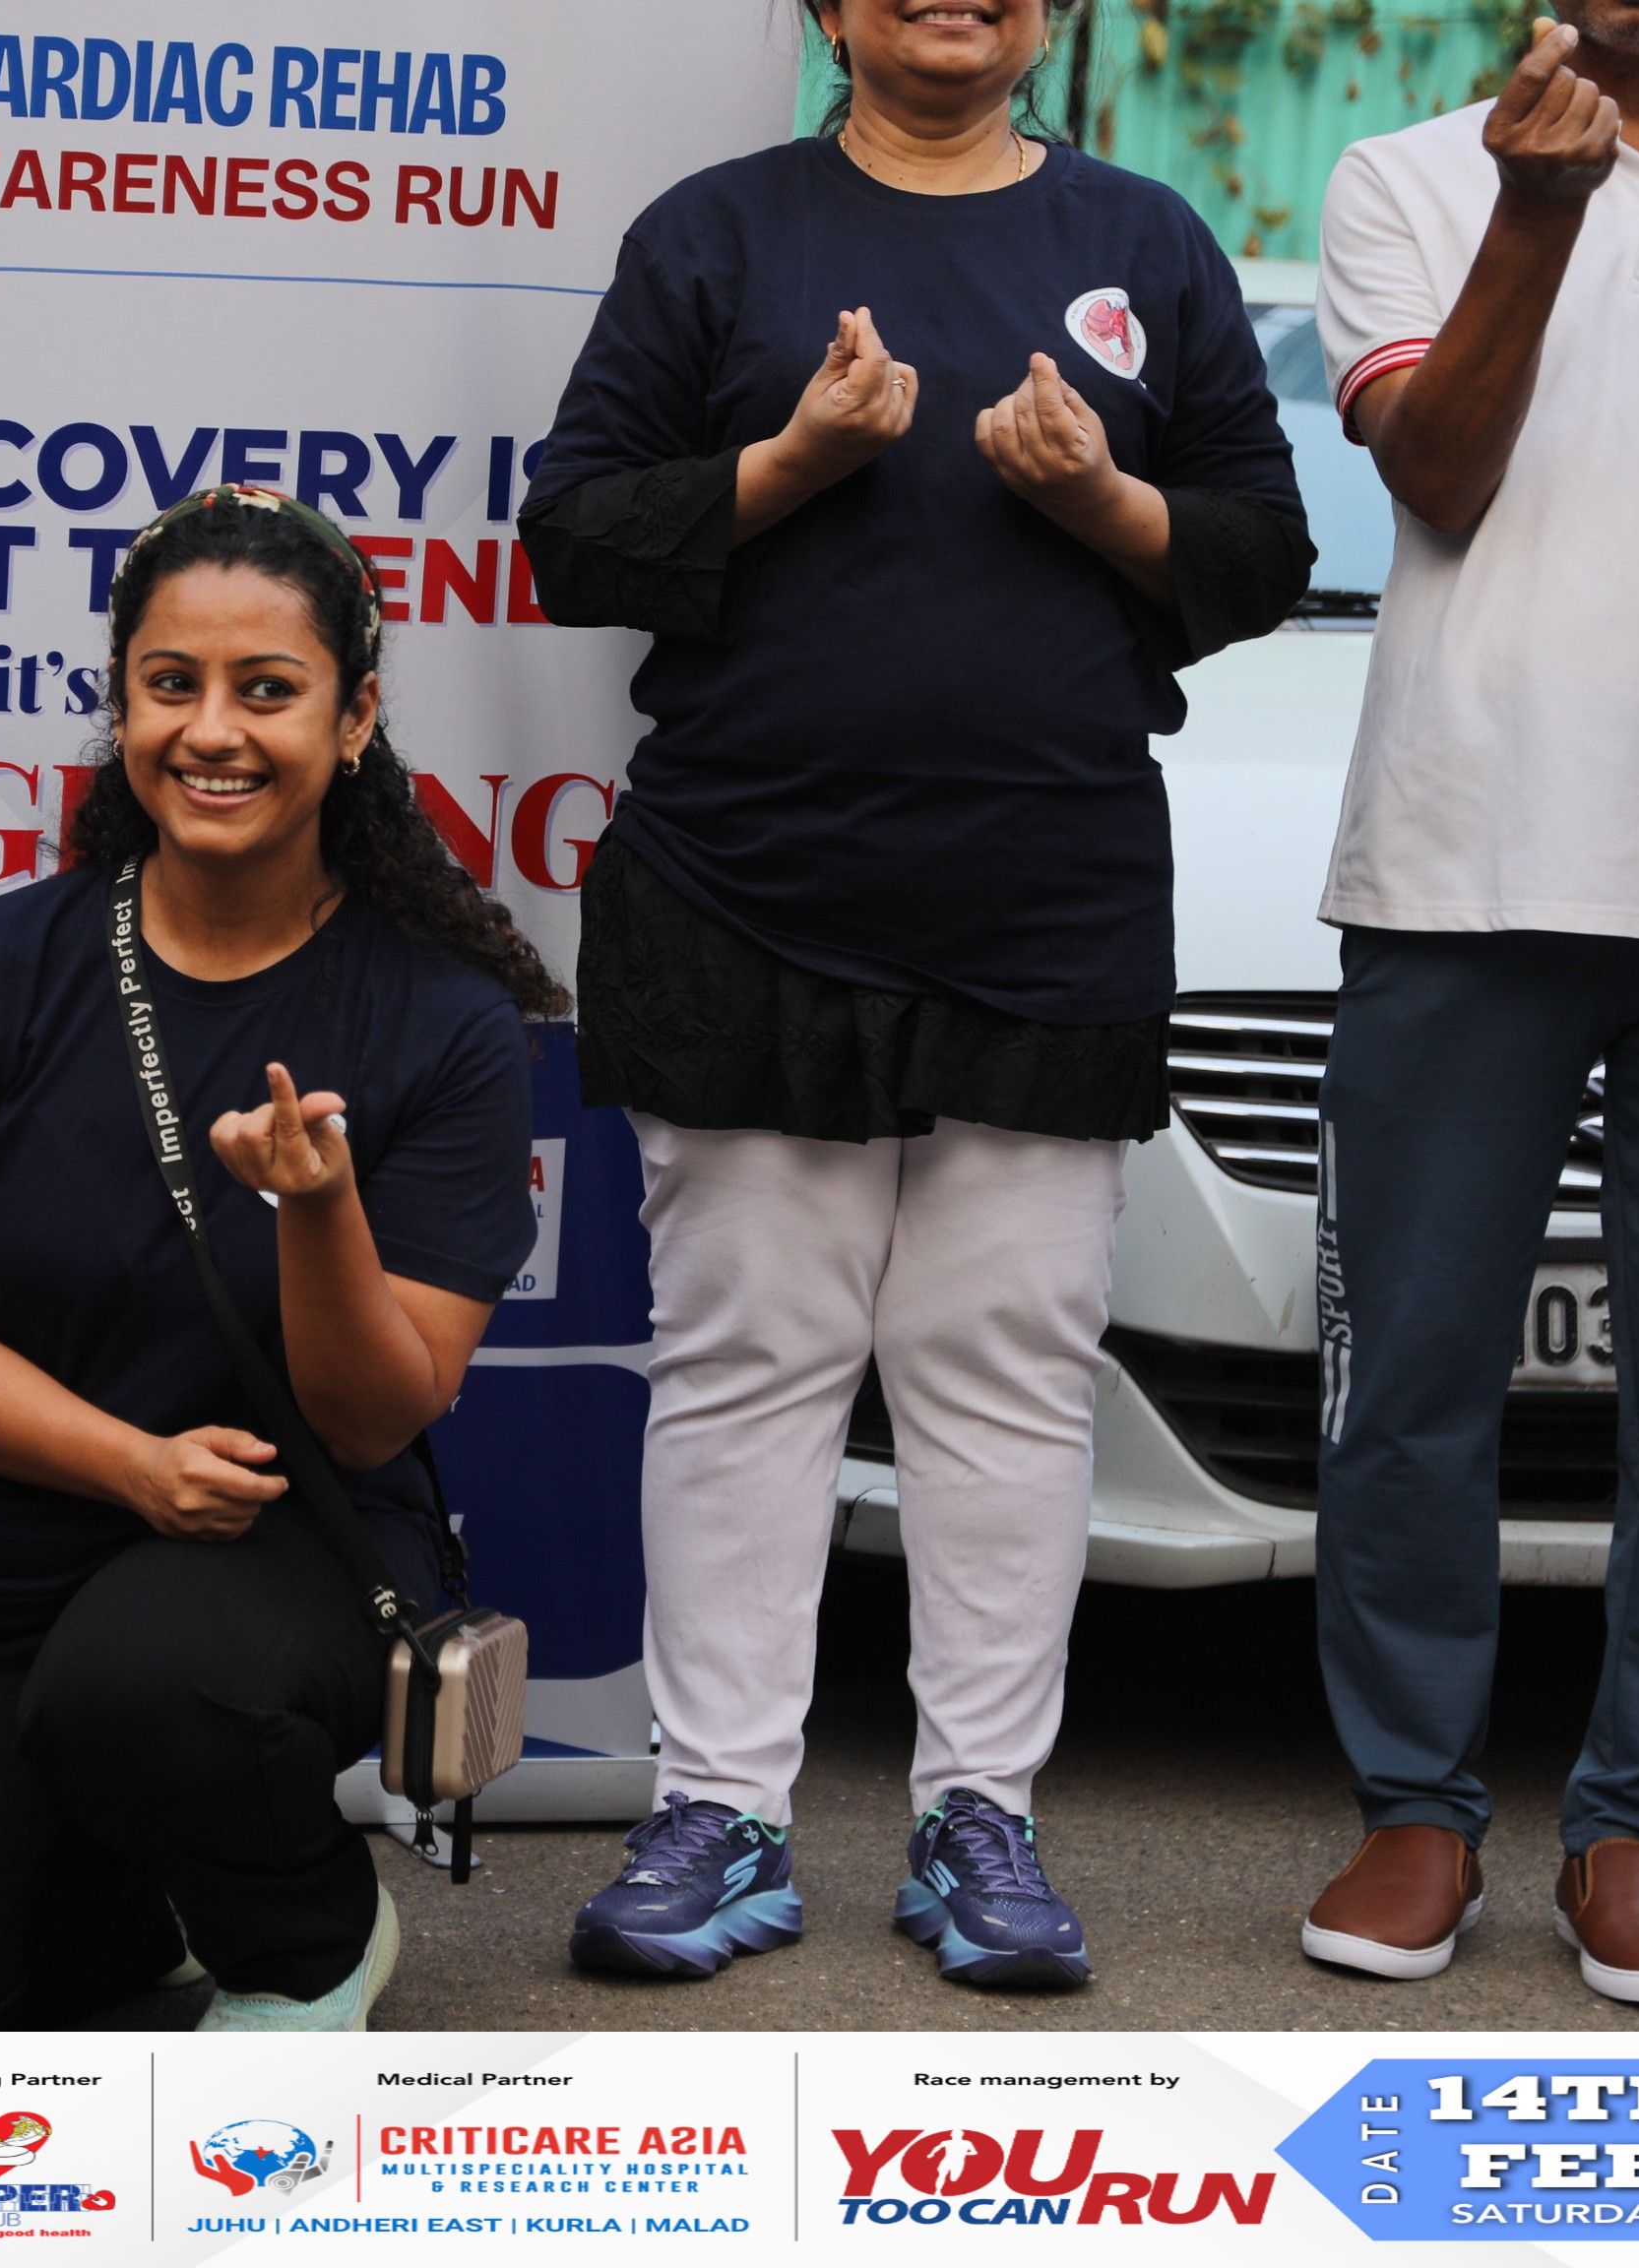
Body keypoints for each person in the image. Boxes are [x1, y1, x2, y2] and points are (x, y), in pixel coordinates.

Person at [520, 0, 1310, 1989]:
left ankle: (982, 1821)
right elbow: (575, 538)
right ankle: (719, 1812)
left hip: (1044, 905)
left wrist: (1100, 499)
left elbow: (1256, 555)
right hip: (747, 895)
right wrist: (793, 461)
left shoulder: (1146, 239)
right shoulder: (719, 234)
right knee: (747, 1365)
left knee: (1004, 1375)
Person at [0, 488, 561, 2033]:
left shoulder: (440, 1016)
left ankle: (309, 1937)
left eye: (269, 688)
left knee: (147, 1685)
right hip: (11, 1527)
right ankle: (139, 1888)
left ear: (353, 718)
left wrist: (319, 1212)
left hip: (285, 1534)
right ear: (121, 705)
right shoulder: (0, 962)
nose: (213, 731)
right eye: (170, 684)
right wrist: (128, 1466)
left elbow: (377, 1418)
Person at [1299, 5, 1639, 2012]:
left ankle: (1636, 1832)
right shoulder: (1406, 177)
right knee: (1413, 1376)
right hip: (1463, 863)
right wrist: (1536, 213)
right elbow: (1440, 474)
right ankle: (1416, 1809)